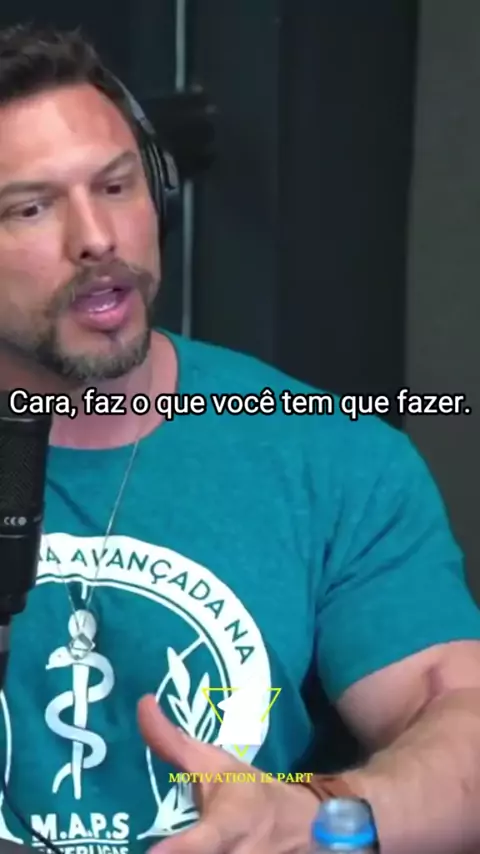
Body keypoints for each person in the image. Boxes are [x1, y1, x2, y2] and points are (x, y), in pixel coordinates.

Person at [0, 22, 478, 854]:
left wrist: (332, 817)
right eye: (32, 207)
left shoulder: (326, 455)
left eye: (116, 186)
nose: (97, 238)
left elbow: (458, 712)